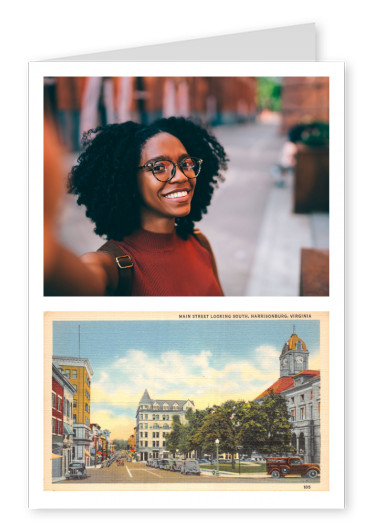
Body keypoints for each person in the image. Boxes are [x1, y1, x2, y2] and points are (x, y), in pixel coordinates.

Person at [47, 116, 228, 296]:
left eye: (186, 164)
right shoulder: (111, 266)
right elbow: (71, 279)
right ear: (130, 181)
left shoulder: (200, 243)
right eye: (159, 167)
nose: (181, 176)